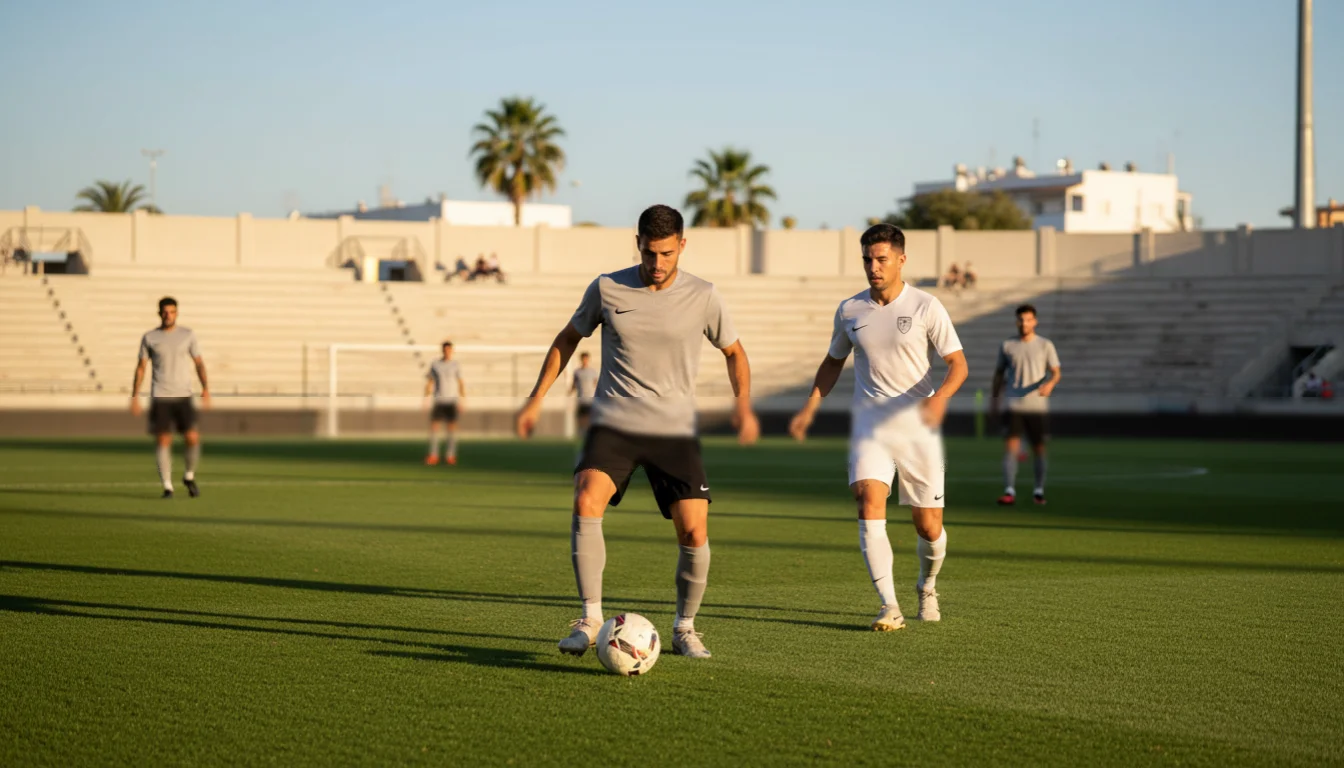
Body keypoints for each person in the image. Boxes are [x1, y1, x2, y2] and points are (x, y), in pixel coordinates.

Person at [515, 204, 759, 660]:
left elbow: (735, 353)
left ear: (682, 246)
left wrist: (742, 408)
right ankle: (590, 618)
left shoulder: (704, 295)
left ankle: (684, 627)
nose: (658, 264)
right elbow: (568, 338)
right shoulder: (607, 287)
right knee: (587, 498)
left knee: (693, 531)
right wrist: (536, 397)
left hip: (673, 430)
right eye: (650, 253)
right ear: (638, 245)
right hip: (615, 422)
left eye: (667, 254)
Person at [789, 224, 968, 631]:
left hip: (918, 428)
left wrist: (939, 399)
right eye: (868, 259)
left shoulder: (926, 306)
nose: (873, 267)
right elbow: (833, 361)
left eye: (882, 259)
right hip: (870, 424)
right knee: (869, 500)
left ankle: (927, 584)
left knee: (930, 527)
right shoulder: (850, 310)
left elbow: (958, 364)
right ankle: (889, 605)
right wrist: (810, 408)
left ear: (901, 260)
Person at [130, 296, 210, 499]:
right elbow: (141, 368)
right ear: (159, 313)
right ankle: (167, 487)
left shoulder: (188, 335)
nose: (168, 315)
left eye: (172, 312)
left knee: (192, 437)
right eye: (165, 312)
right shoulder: (149, 337)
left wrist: (206, 388)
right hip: (161, 396)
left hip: (183, 395)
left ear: (177, 313)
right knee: (163, 440)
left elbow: (199, 363)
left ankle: (189, 476)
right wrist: (135, 395)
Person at [991, 304, 1061, 506]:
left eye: (1028, 319)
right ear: (1017, 321)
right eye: (1021, 320)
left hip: (1037, 407)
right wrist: (995, 401)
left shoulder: (1045, 345)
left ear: (1035, 322)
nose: (1024, 323)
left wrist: (1050, 384)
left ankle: (1038, 491)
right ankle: (1009, 491)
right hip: (1013, 405)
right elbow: (998, 375)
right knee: (1011, 448)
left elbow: (1056, 372)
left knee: (1039, 449)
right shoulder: (1007, 345)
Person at [424, 341, 465, 465]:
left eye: (449, 350)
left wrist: (462, 400)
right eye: (445, 350)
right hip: (439, 400)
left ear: (452, 351)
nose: (447, 352)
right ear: (442, 350)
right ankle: (433, 455)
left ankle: (450, 455)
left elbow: (460, 382)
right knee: (435, 428)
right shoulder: (435, 364)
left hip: (451, 400)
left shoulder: (456, 365)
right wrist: (426, 398)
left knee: (451, 429)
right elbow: (430, 381)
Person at [568, 351, 599, 433]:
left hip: (590, 400)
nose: (585, 360)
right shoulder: (577, 372)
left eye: (586, 359)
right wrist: (569, 392)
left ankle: (589, 433)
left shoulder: (593, 372)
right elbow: (574, 384)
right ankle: (581, 433)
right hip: (580, 400)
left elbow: (596, 384)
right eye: (583, 359)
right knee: (580, 419)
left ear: (588, 360)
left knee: (590, 418)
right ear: (581, 360)